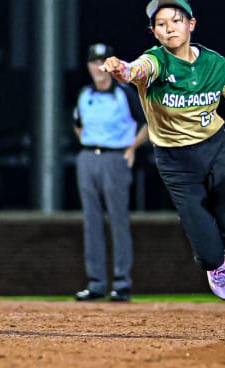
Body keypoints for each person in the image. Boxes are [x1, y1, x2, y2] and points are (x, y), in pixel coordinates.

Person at [100, 0, 225, 340]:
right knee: (208, 253)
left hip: (217, 152)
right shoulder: (156, 62)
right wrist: (120, 68)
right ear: (153, 32)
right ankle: (216, 265)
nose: (170, 28)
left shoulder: (215, 64)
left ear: (192, 25)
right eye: (161, 24)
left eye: (177, 20)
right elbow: (134, 70)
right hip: (176, 162)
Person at [73, 43, 149, 303]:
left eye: (102, 62)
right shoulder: (84, 94)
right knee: (91, 221)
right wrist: (90, 142)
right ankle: (96, 283)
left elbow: (148, 122)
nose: (98, 67)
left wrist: (132, 147)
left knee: (118, 220)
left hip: (116, 157)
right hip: (88, 157)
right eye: (94, 62)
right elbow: (77, 124)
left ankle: (121, 283)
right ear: (88, 66)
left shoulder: (124, 93)